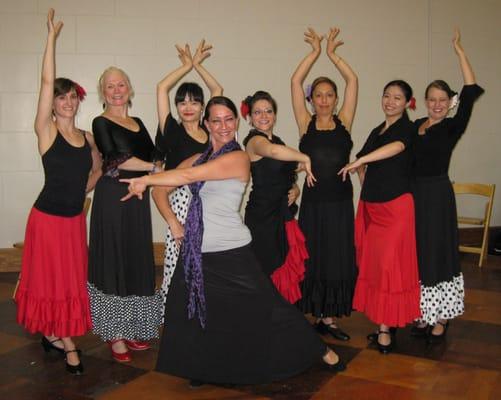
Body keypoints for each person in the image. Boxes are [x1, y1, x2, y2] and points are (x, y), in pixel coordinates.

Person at [121, 96, 345, 386]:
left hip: (232, 250)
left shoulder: (238, 157)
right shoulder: (200, 157)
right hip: (197, 252)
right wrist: (174, 222)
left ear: (237, 122)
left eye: (229, 119)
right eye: (216, 120)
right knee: (198, 314)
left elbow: (187, 176)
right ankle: (204, 368)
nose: (224, 125)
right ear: (207, 124)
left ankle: (321, 350)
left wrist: (146, 179)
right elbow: (162, 189)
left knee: (270, 306)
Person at [15, 9, 102, 375]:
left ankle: (52, 333)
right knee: (50, 280)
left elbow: (98, 168)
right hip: (47, 219)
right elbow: (46, 80)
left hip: (72, 221)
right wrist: (51, 38)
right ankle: (68, 343)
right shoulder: (46, 130)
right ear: (53, 103)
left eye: (71, 97)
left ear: (78, 102)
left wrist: (86, 188)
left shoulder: (88, 139)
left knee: (67, 282)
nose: (66, 101)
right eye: (60, 97)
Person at [411, 29, 484, 341]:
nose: (437, 105)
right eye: (432, 100)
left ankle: (441, 315)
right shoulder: (414, 126)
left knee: (439, 252)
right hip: (413, 195)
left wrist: (459, 52)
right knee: (418, 252)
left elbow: (470, 90)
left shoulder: (453, 126)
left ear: (449, 103)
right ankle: (422, 312)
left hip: (438, 195)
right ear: (425, 102)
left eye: (443, 100)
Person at [339, 80, 421, 354]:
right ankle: (383, 322)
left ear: (407, 102)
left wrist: (362, 162)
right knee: (374, 265)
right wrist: (364, 176)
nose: (390, 101)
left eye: (397, 97)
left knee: (389, 267)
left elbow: (396, 148)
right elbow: (363, 159)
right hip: (373, 206)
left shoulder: (408, 129)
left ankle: (387, 328)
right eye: (387, 96)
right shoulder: (378, 130)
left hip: (397, 207)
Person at [87, 66, 162, 363]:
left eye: (121, 85)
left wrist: (153, 168)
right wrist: (153, 169)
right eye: (110, 86)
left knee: (134, 256)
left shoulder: (139, 121)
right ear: (102, 92)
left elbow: (155, 153)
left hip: (138, 197)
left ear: (129, 89)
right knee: (113, 257)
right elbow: (117, 159)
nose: (116, 90)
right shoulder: (100, 122)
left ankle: (131, 325)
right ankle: (114, 332)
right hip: (113, 197)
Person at [290, 27, 358, 341]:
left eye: (329, 95)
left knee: (337, 257)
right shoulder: (305, 123)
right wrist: (315, 53)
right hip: (314, 204)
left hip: (341, 202)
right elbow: (294, 81)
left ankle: (329, 318)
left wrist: (333, 55)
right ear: (312, 99)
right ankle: (315, 313)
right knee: (314, 256)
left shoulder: (345, 119)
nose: (324, 100)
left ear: (336, 99)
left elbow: (353, 80)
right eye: (319, 95)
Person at [152, 40, 222, 315]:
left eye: (194, 101)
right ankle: (175, 316)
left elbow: (217, 90)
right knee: (178, 262)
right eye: (182, 102)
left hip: (211, 203)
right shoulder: (170, 129)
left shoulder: (210, 130)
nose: (188, 107)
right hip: (180, 203)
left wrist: (199, 66)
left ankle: (202, 313)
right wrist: (185, 66)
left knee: (208, 263)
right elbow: (161, 88)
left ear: (204, 107)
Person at [242, 90, 314, 303]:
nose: (263, 116)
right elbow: (272, 152)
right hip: (262, 216)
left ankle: (282, 318)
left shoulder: (280, 141)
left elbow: (287, 173)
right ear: (250, 118)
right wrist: (304, 156)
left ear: (275, 115)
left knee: (283, 266)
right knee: (266, 269)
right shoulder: (254, 140)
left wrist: (295, 188)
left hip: (282, 214)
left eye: (268, 111)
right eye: (257, 112)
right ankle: (265, 321)